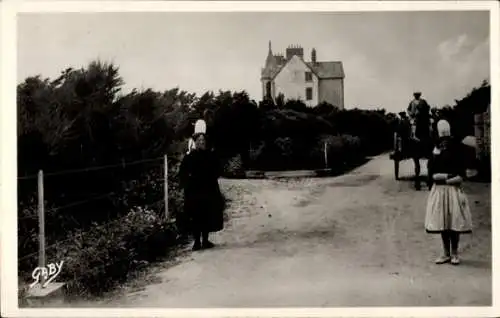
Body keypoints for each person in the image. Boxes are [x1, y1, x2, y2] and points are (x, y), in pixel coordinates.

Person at [425, 119, 472, 265]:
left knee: (454, 222)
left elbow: (460, 174)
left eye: (446, 139)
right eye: (441, 139)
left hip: (452, 190)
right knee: (443, 223)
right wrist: (445, 175)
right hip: (439, 191)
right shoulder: (435, 152)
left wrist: (445, 178)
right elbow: (431, 173)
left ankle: (455, 253)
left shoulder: (457, 150)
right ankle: (446, 252)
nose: (444, 142)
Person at [179, 132, 225, 251]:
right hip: (194, 190)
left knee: (207, 215)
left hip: (209, 189)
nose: (201, 142)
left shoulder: (211, 155)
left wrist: (212, 177)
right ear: (195, 142)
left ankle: (205, 240)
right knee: (195, 215)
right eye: (199, 140)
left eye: (203, 140)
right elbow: (182, 172)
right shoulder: (190, 157)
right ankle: (196, 242)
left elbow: (219, 168)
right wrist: (186, 183)